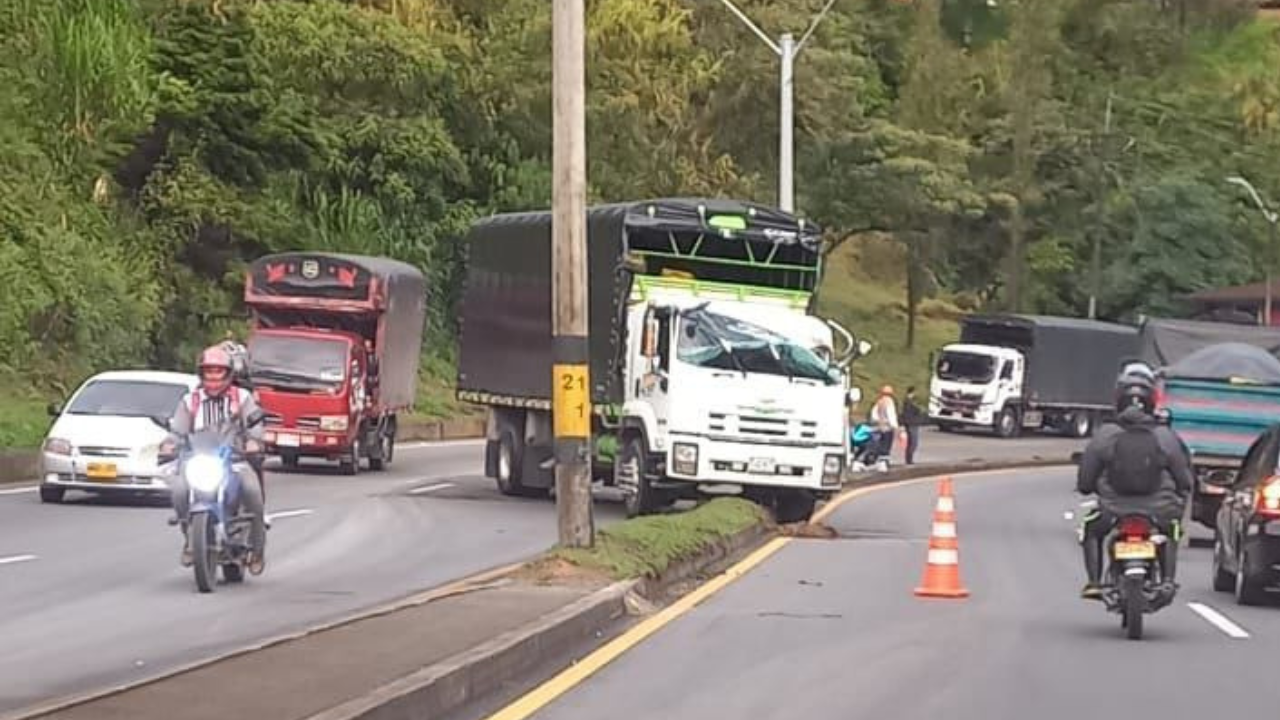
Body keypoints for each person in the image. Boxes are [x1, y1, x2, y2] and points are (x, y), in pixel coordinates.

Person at [1076, 364, 1191, 599]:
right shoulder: (1165, 436)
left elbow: (1085, 483)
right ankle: (1168, 580)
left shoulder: (1105, 435)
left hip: (1112, 510)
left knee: (1091, 529)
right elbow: (1184, 479)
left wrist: (1091, 488)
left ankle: (1095, 583)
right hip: (1160, 510)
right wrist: (1180, 492)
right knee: (1172, 530)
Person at [168, 345, 269, 575]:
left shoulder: (241, 398)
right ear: (201, 375)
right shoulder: (190, 401)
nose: (213, 379)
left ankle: (258, 548)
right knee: (179, 490)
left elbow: (255, 427)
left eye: (218, 372)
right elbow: (177, 431)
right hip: (199, 459)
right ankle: (190, 540)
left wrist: (253, 442)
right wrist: (169, 444)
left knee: (252, 490)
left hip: (234, 459)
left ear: (228, 374)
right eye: (208, 373)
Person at [870, 385, 899, 462]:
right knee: (887, 445)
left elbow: (873, 415)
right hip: (888, 427)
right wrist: (895, 426)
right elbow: (891, 415)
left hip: (879, 427)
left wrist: (879, 421)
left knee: (880, 444)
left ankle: (879, 459)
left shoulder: (879, 401)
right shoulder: (890, 402)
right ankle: (884, 461)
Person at [901, 386, 924, 465]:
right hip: (912, 424)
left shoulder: (909, 402)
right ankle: (909, 459)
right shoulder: (908, 402)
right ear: (912, 392)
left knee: (912, 442)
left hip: (911, 423)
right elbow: (910, 412)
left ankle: (909, 459)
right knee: (913, 443)